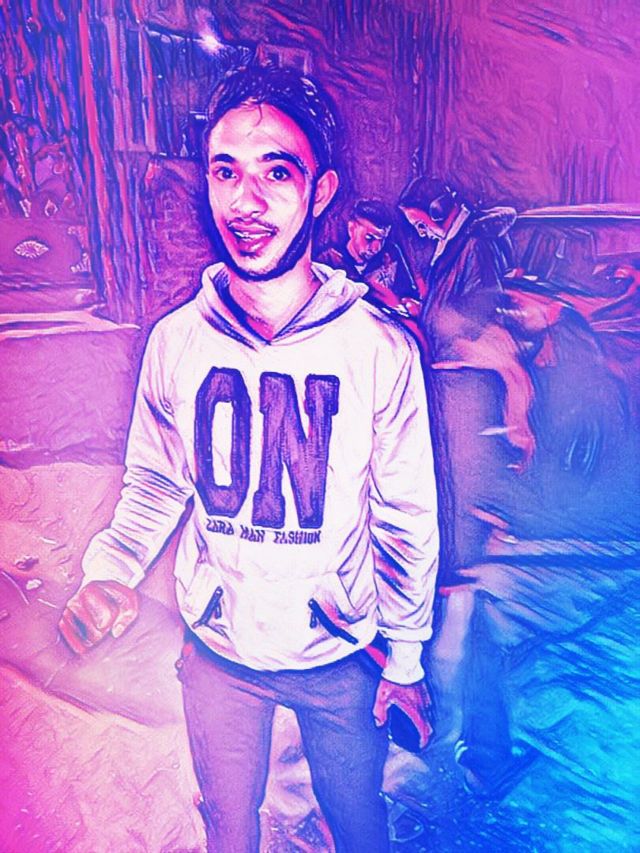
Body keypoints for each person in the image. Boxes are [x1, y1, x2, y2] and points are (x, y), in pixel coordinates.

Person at [58, 64, 439, 853]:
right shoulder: (177, 342)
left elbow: (405, 514)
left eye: (277, 172)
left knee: (358, 826)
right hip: (219, 656)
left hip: (338, 656)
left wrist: (404, 656)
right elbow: (155, 481)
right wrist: (112, 569)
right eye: (226, 171)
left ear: (322, 190)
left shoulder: (378, 350)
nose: (246, 200)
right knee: (228, 829)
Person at [398, 176, 516, 342]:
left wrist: (431, 319)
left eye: (421, 225)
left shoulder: (476, 243)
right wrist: (425, 311)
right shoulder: (454, 241)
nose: (421, 233)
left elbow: (483, 304)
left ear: (438, 210)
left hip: (467, 347)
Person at [320, 198, 421, 318]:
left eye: (382, 240)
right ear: (352, 228)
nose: (376, 248)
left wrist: (409, 302)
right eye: (369, 238)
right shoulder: (329, 261)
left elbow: (409, 292)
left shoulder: (391, 254)